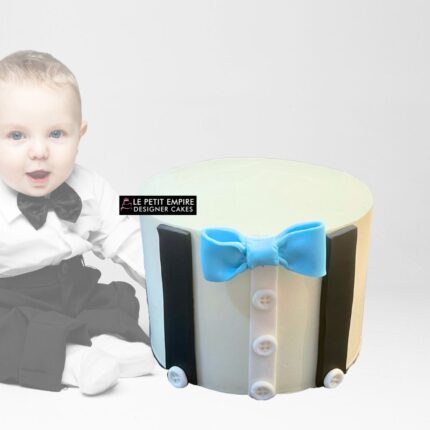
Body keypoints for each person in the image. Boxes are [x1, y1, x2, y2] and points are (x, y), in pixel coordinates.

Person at [0, 50, 154, 395]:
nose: (39, 151)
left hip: (74, 288)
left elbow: (124, 235)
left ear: (79, 134)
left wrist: (167, 282)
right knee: (7, 331)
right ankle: (72, 360)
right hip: (12, 298)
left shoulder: (91, 186)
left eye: (56, 134)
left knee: (111, 301)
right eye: (17, 136)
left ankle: (105, 341)